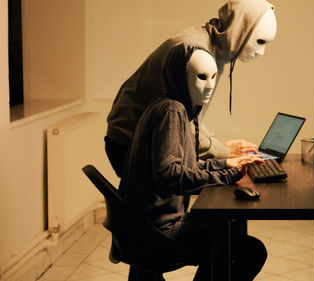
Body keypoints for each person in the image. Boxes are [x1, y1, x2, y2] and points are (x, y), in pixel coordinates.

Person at [118, 45, 266, 281]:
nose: (209, 85)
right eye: (201, 77)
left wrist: (226, 164)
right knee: (251, 251)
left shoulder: (165, 104)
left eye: (213, 77)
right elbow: (170, 175)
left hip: (144, 226)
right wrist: (228, 175)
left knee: (232, 228)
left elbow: (184, 167)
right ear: (179, 75)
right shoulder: (172, 112)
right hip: (158, 231)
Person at [105, 0, 277, 177]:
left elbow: (190, 119)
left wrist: (217, 147)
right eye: (260, 41)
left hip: (137, 139)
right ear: (240, 29)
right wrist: (223, 152)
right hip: (130, 144)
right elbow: (179, 123)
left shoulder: (213, 49)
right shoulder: (196, 53)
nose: (261, 52)